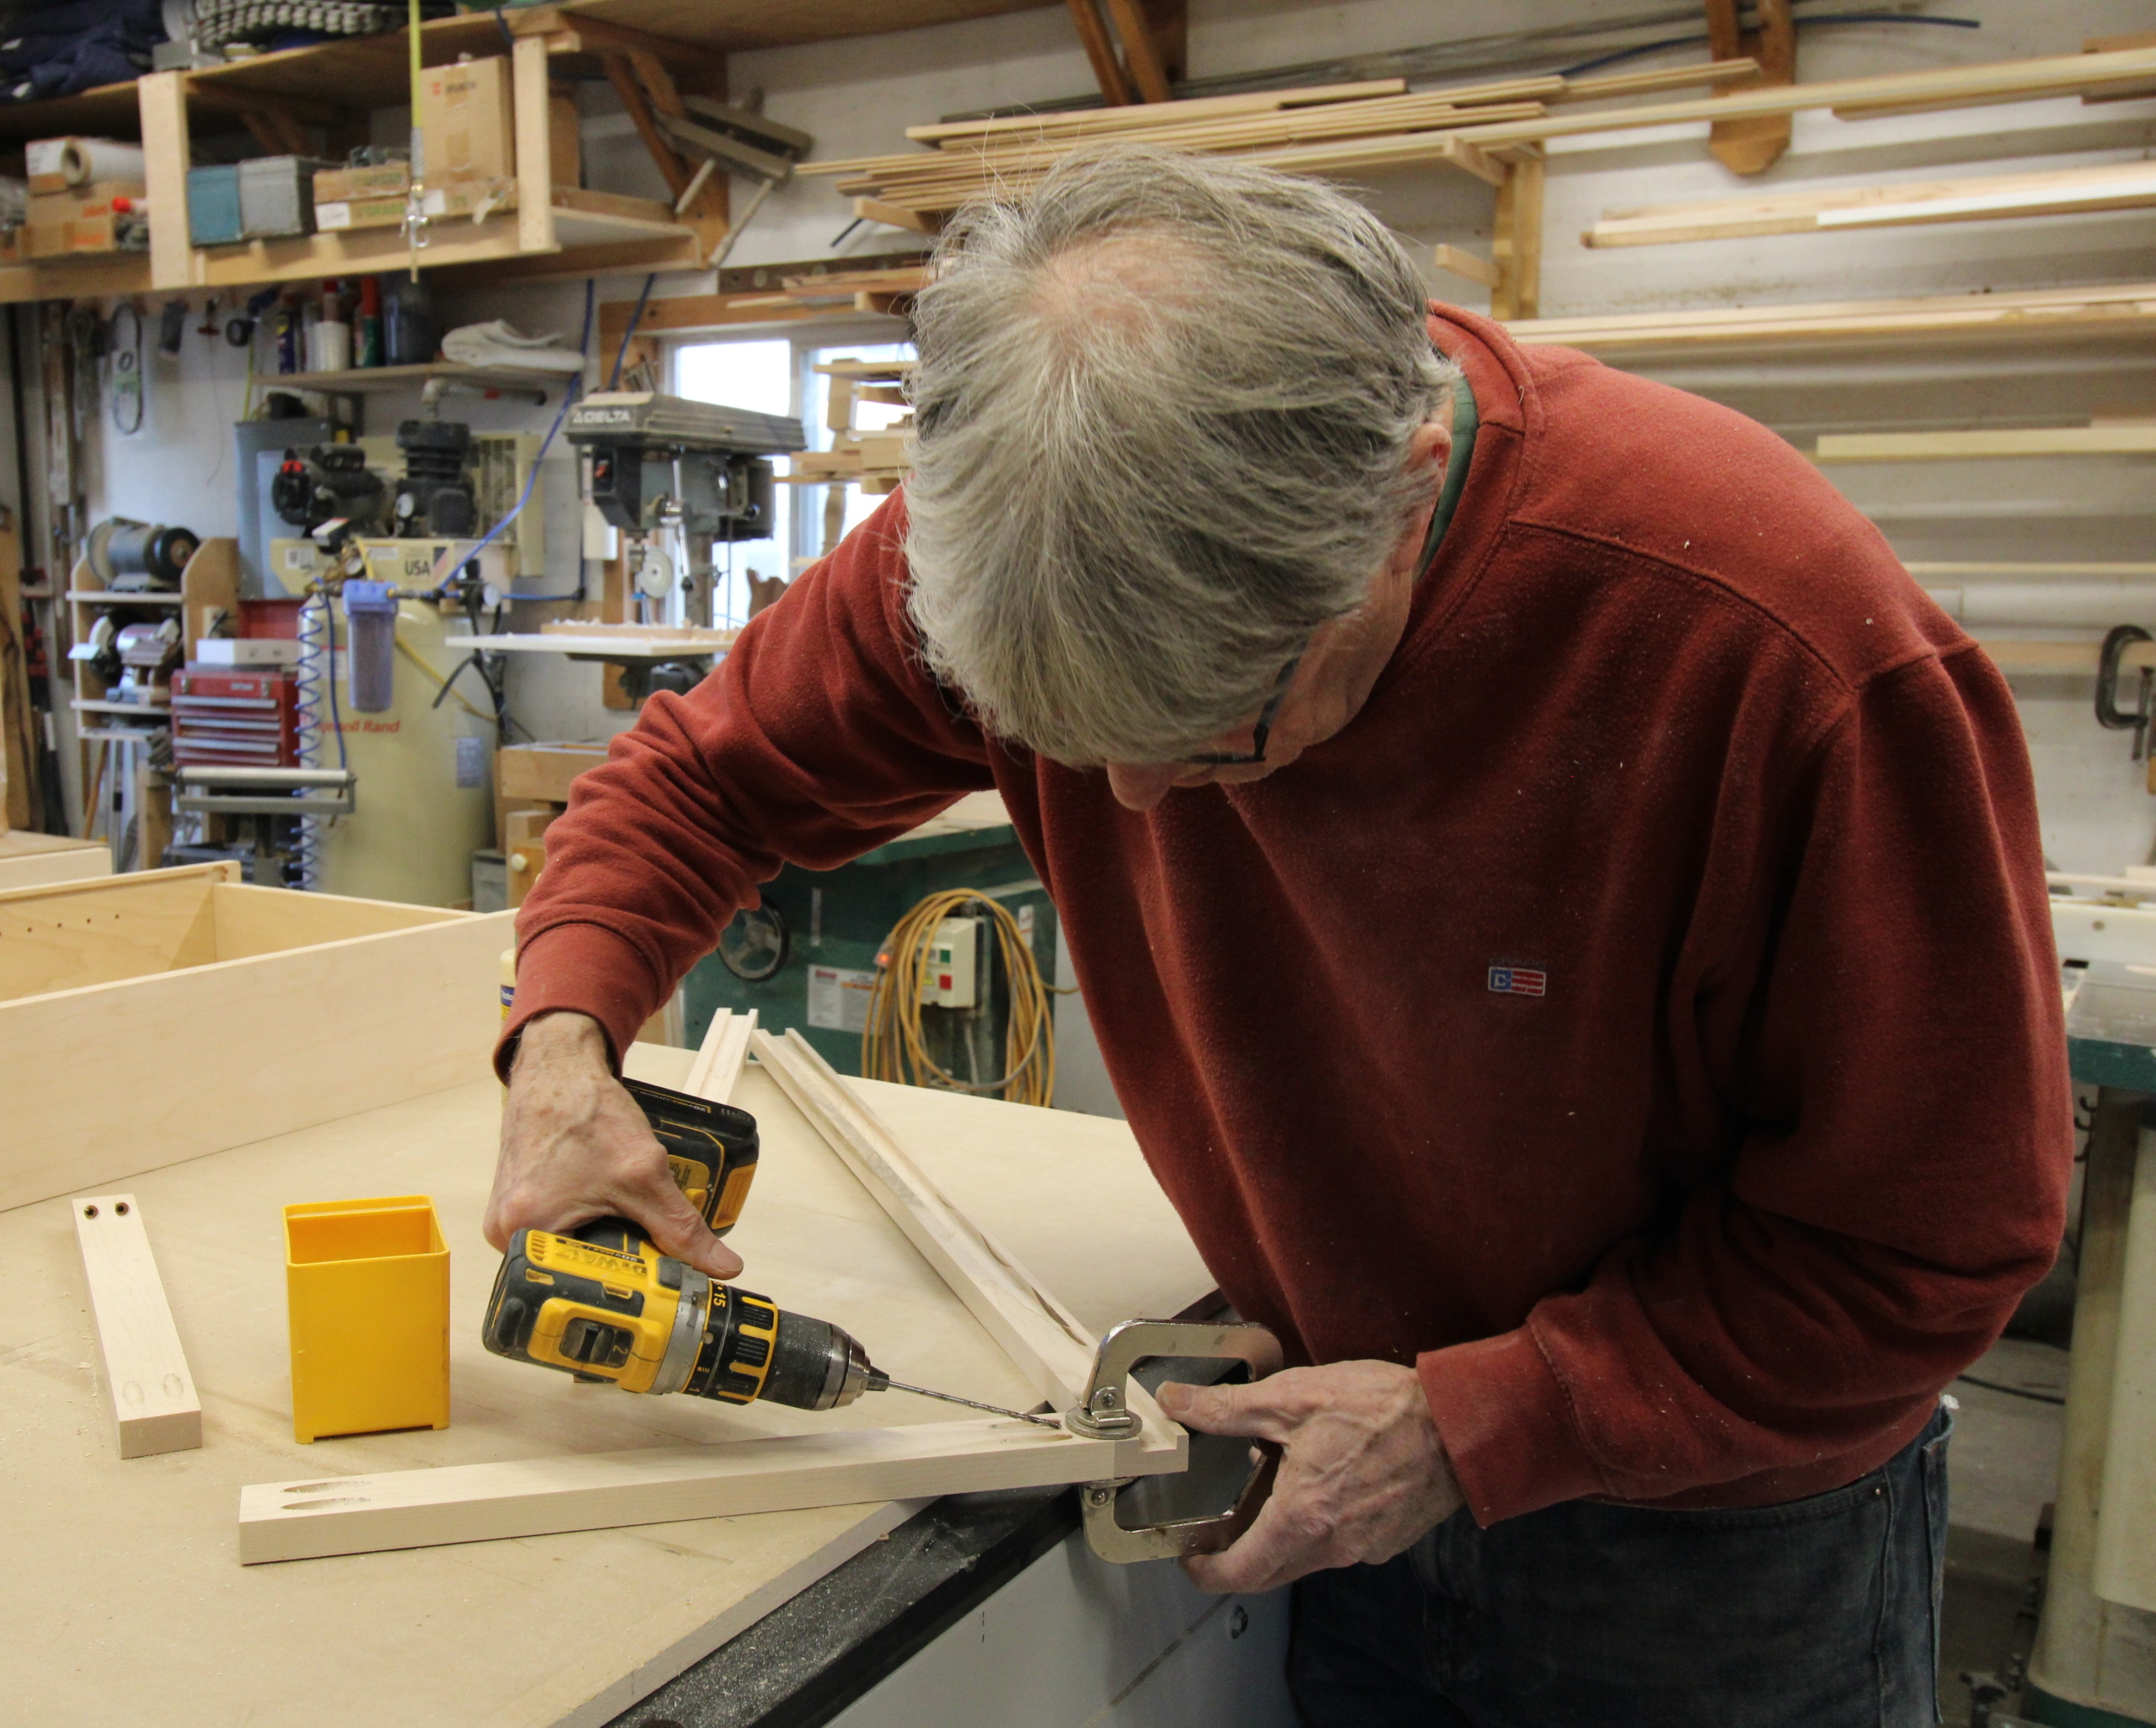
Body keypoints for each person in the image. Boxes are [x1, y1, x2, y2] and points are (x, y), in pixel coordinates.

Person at [488, 147, 2071, 1725]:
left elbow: (1926, 1247)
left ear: (1403, 507)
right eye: (1061, 741)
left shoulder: (1775, 645)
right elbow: (698, 781)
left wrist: (1479, 1422)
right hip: (1324, 1456)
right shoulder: (1032, 522)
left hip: (1703, 1535)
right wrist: (565, 1044)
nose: (1129, 802)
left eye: (1216, 739)